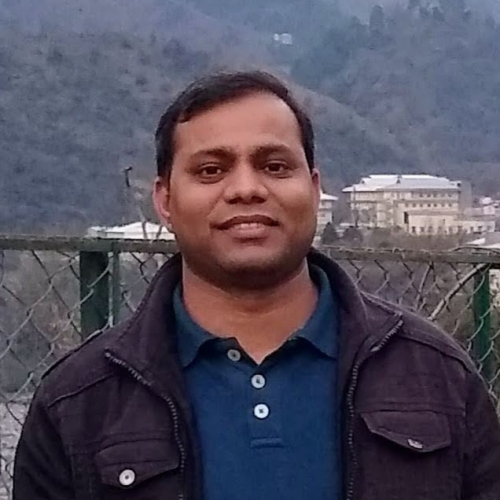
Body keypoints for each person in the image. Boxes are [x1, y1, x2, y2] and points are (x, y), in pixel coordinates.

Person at [13, 70, 500, 500]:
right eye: (210, 170)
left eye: (274, 166)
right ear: (164, 200)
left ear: (314, 188)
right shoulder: (78, 404)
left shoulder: (437, 376)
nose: (246, 189)